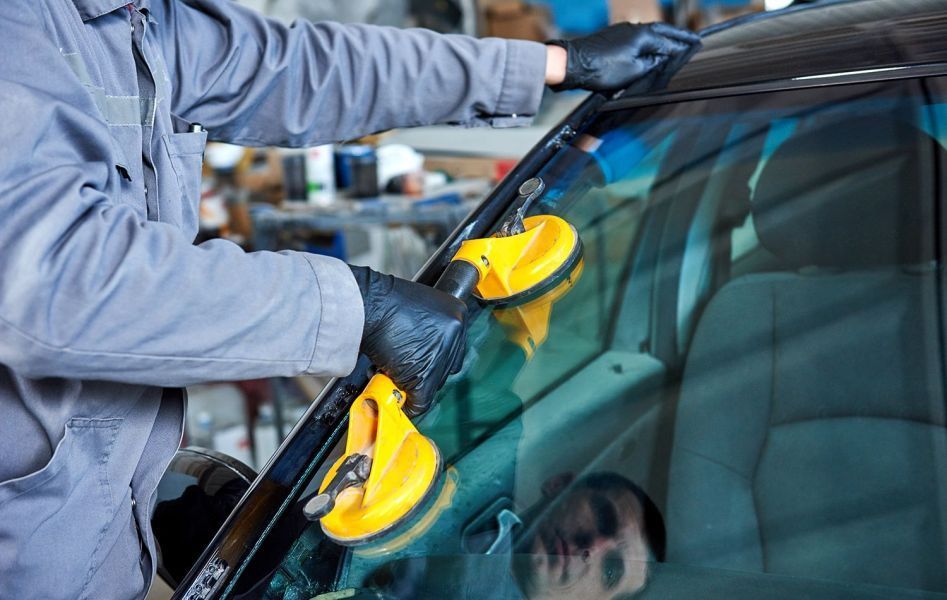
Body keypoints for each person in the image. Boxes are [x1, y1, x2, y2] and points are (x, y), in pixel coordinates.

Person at [0, 1, 698, 597]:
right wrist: (355, 304)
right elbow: (55, 278)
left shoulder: (139, 21)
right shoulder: (23, 27)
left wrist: (549, 66)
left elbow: (294, 67)